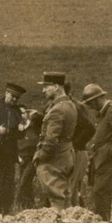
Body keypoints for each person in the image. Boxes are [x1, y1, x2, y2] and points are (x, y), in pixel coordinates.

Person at [80, 84, 112, 221]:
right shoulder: (104, 112)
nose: (90, 107)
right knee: (100, 195)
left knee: (104, 195)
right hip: (102, 162)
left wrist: (110, 152)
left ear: (96, 100)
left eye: (90, 103)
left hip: (110, 164)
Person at [33, 71, 78, 210]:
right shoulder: (69, 105)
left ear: (56, 87)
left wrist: (40, 157)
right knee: (65, 196)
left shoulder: (57, 110)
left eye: (47, 86)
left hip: (55, 159)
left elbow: (50, 140)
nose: (43, 90)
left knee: (56, 198)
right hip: (66, 155)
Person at [0, 82, 26, 215]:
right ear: (6, 93)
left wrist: (21, 130)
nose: (14, 100)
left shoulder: (17, 111)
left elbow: (19, 135)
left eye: (17, 98)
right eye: (12, 96)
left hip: (10, 151)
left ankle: (6, 210)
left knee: (8, 181)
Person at [65, 81, 97, 209]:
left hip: (76, 152)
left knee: (70, 190)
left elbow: (90, 128)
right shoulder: (61, 105)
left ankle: (73, 221)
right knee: (70, 191)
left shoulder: (74, 106)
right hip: (67, 153)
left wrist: (74, 145)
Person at [16, 106, 44, 210]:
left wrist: (35, 111)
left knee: (23, 182)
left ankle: (17, 204)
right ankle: (29, 207)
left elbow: (42, 118)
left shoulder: (34, 125)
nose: (21, 116)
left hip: (32, 159)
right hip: (21, 159)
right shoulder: (16, 128)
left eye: (23, 113)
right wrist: (18, 157)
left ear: (26, 114)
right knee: (27, 184)